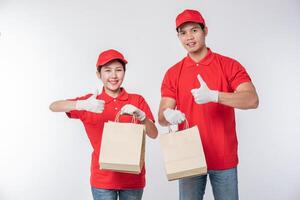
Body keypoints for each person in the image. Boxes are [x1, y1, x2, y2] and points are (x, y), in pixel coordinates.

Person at [158, 9, 259, 200]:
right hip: (188, 157)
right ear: (178, 36)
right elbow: (162, 117)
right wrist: (169, 115)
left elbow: (252, 99)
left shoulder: (228, 65)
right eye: (183, 32)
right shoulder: (173, 73)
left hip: (223, 157)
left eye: (194, 30)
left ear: (205, 31)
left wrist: (215, 96)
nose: (189, 37)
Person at [49, 49, 158, 200]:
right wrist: (81, 104)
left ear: (124, 73)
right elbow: (54, 106)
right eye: (107, 70)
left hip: (133, 179)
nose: (113, 76)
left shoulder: (137, 100)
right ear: (98, 74)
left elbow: (154, 134)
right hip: (102, 180)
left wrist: (143, 116)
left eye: (118, 70)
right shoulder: (91, 102)